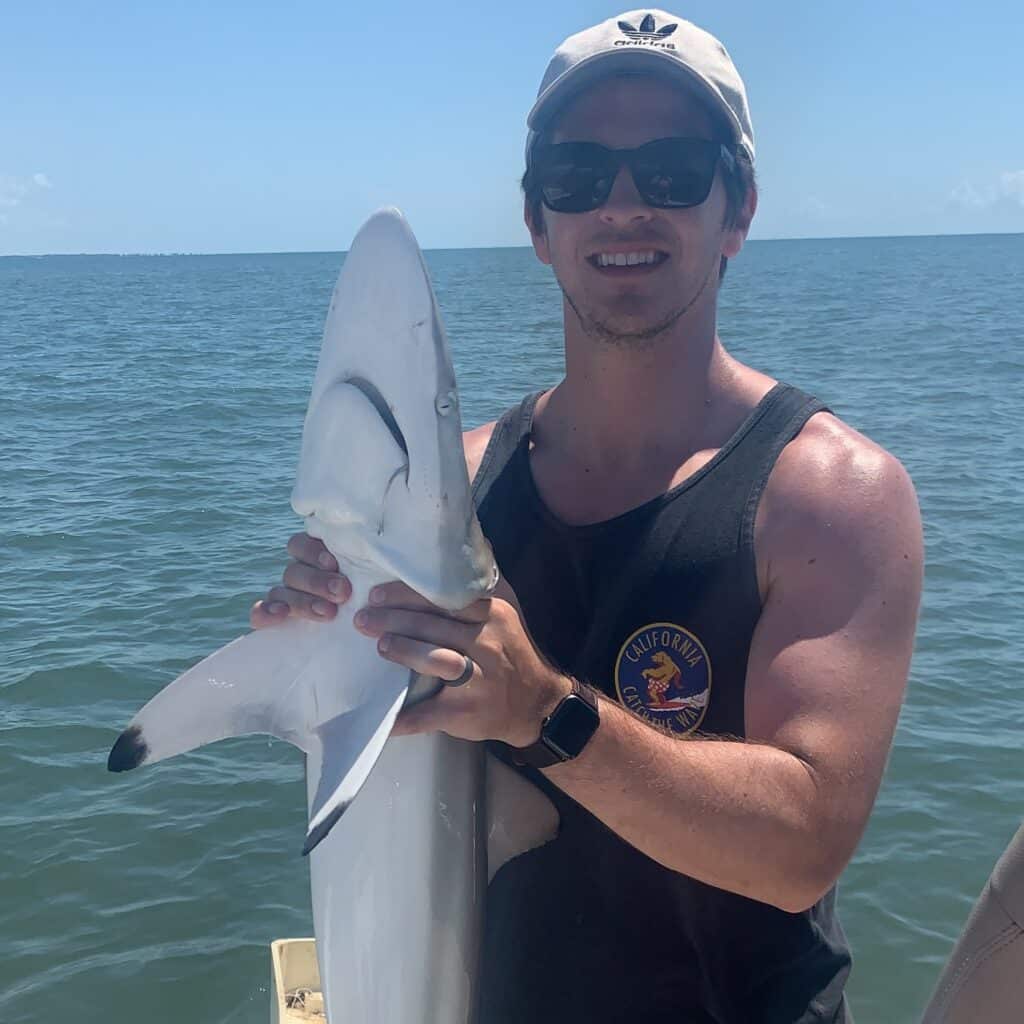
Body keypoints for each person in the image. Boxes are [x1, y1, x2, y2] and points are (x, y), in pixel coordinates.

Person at [251, 10, 923, 1022]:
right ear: (537, 223)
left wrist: (543, 712)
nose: (620, 206)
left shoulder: (829, 496)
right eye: (576, 175)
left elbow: (800, 848)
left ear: (735, 211)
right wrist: (321, 648)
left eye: (671, 171)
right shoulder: (458, 483)